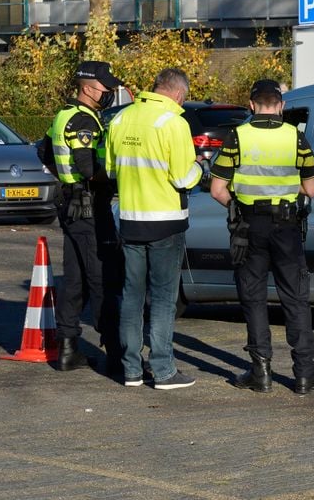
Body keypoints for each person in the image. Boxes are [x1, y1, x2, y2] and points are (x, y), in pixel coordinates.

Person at [210, 79, 314, 395]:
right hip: (287, 227)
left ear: (252, 104)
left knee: (254, 298)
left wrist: (242, 204)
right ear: (281, 105)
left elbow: (218, 189)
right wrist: (283, 193)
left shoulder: (237, 137)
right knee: (296, 299)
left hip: (249, 227)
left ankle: (262, 373)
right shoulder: (296, 138)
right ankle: (303, 375)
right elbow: (311, 189)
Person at [105, 68, 204, 389]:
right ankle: (163, 371)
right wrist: (200, 168)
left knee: (131, 296)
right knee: (162, 299)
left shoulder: (120, 120)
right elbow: (182, 178)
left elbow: (109, 169)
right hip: (165, 223)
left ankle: (131, 370)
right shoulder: (174, 123)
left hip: (130, 220)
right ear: (177, 93)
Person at [47, 61, 123, 374]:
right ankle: (117, 353)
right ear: (88, 88)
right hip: (90, 207)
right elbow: (90, 167)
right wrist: (118, 178)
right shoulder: (83, 119)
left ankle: (68, 349)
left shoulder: (63, 114)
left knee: (75, 280)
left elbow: (43, 151)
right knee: (102, 277)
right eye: (106, 88)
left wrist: (67, 182)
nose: (110, 93)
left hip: (71, 205)